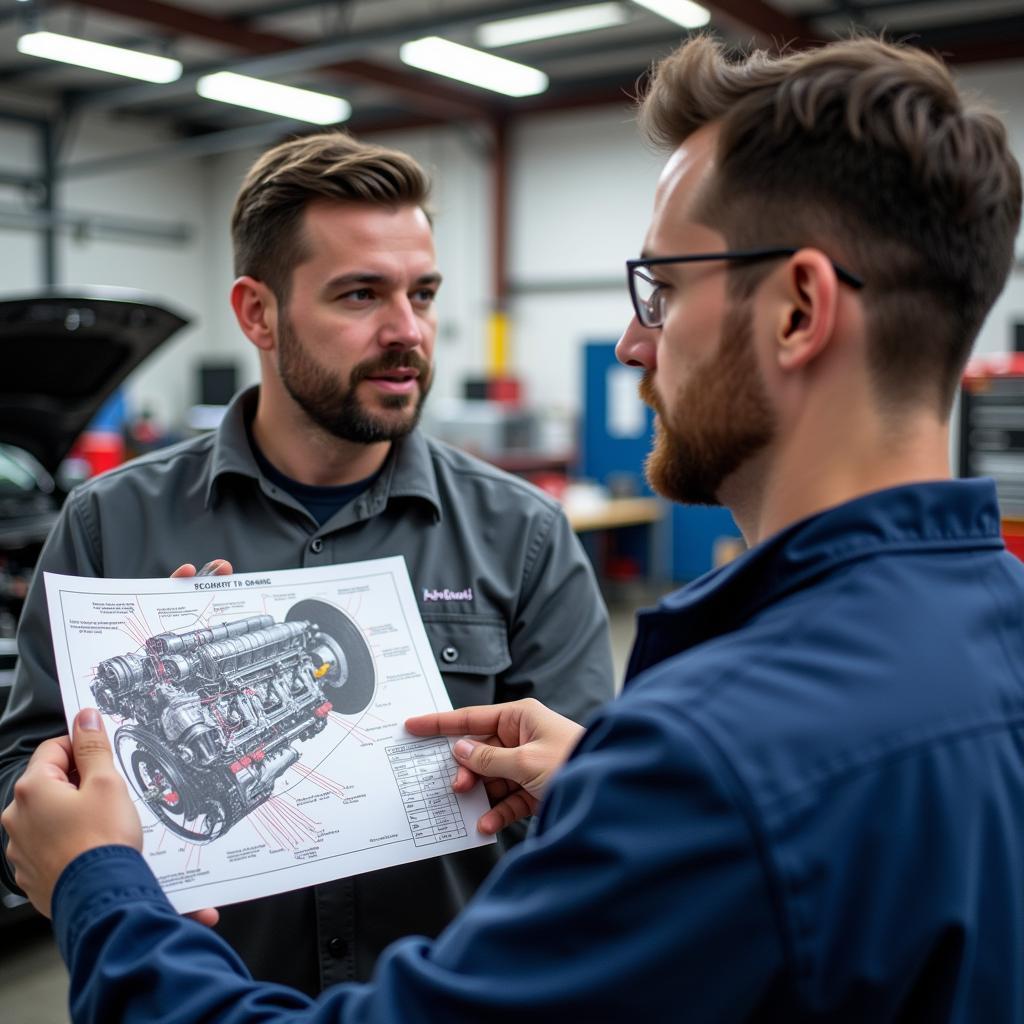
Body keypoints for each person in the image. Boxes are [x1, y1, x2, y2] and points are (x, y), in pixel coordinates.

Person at [5, 31, 1024, 1022]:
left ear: (798, 309)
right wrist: (608, 792)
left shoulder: (709, 745)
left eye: (660, 291)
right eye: (362, 293)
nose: (632, 341)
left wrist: (101, 884)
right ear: (256, 313)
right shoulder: (991, 636)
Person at [0, 132, 614, 994]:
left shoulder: (525, 534)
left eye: (424, 293)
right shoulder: (110, 525)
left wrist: (583, 791)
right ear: (257, 313)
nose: (408, 331)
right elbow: (19, 776)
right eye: (361, 294)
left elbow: (595, 808)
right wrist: (103, 862)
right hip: (199, 990)